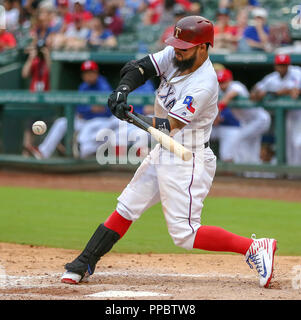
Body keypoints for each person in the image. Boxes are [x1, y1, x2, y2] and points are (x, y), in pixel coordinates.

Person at [60, 15, 277, 288]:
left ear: (202, 48)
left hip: (189, 158)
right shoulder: (176, 56)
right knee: (127, 206)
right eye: (176, 44)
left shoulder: (204, 84)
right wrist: (123, 90)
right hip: (165, 150)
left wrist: (130, 116)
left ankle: (254, 248)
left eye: (184, 46)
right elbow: (139, 68)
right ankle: (84, 262)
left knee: (185, 234)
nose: (177, 50)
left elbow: (168, 125)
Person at [33, 60, 113, 159]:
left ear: (96, 73)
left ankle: (77, 154)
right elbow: (79, 108)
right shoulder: (83, 87)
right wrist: (91, 109)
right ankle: (43, 152)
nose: (88, 75)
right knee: (61, 123)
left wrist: (89, 109)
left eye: (91, 72)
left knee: (85, 135)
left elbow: (107, 111)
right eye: (86, 73)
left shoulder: (104, 86)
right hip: (84, 120)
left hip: (98, 122)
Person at [251, 54, 301, 166]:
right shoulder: (272, 78)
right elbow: (256, 89)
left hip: (298, 114)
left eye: (284, 65)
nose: (282, 68)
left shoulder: (297, 73)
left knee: (298, 143)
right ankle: (291, 175)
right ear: (275, 66)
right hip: (286, 117)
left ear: (289, 65)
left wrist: (281, 92)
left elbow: (294, 91)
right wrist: (257, 93)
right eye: (280, 65)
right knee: (288, 145)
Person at [216, 68, 271, 164]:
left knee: (239, 139)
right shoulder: (219, 90)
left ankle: (242, 168)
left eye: (224, 82)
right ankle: (252, 173)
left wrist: (217, 113)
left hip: (259, 119)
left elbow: (229, 96)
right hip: (247, 122)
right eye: (220, 83)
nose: (222, 85)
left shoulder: (236, 86)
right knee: (251, 146)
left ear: (230, 80)